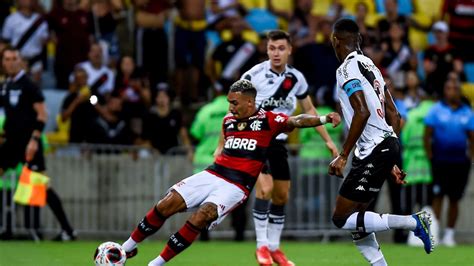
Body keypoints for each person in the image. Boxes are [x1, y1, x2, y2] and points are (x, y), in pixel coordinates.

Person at [121, 79, 341, 266]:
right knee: (166, 204)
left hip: (236, 186)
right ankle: (125, 250)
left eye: (234, 103)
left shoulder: (268, 120)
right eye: (229, 102)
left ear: (250, 102)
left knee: (202, 216)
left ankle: (155, 263)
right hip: (213, 174)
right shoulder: (228, 121)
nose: (230, 107)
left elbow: (296, 120)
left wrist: (323, 119)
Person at [328, 18, 434, 265]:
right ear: (359, 40)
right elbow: (395, 115)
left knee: (342, 218)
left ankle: (413, 221)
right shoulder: (372, 66)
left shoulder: (346, 69)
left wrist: (343, 154)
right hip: (385, 145)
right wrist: (391, 159)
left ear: (335, 40)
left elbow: (362, 112)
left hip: (374, 148)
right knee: (359, 221)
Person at [241, 30, 338, 266]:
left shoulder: (296, 79)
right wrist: (223, 144)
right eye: (272, 48)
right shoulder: (252, 75)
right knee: (265, 189)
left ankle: (274, 248)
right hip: (256, 139)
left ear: (289, 50)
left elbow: (310, 110)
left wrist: (328, 140)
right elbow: (233, 108)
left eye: (281, 48)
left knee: (282, 195)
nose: (276, 53)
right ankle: (261, 246)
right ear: (266, 50)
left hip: (279, 143)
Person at [0, 47, 75, 241]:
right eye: (6, 59)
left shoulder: (29, 85)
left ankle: (68, 230)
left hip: (28, 144)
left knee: (43, 186)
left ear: (20, 61)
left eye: (14, 59)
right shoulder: (5, 85)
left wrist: (34, 140)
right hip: (11, 143)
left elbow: (42, 115)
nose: (10, 62)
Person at [423, 78, 474, 246]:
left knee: (455, 198)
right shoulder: (436, 110)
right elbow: (427, 135)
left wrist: (470, 156)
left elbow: (472, 137)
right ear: (444, 90)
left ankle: (450, 235)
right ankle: (435, 233)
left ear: (459, 91)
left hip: (460, 163)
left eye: (455, 88)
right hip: (440, 161)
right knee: (438, 196)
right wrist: (430, 156)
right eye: (449, 88)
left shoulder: (467, 112)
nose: (452, 91)